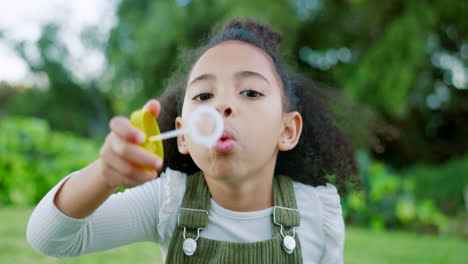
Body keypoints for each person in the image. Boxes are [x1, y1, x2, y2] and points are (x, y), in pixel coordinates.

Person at [27, 18, 358, 263]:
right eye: (203, 94)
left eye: (250, 92)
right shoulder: (167, 202)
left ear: (287, 131)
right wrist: (104, 175)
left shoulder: (318, 212)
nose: (222, 105)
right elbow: (49, 239)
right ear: (184, 135)